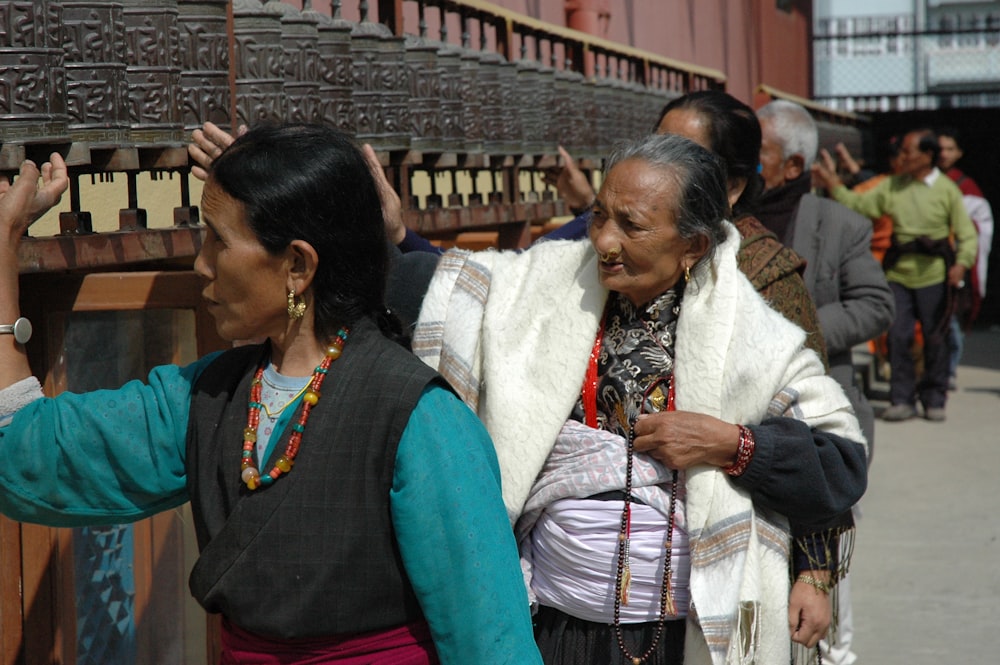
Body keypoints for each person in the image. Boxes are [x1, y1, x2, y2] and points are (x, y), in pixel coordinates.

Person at [0, 125, 542, 664]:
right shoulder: (207, 397)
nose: (201, 264)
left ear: (298, 266)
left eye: (218, 239)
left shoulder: (418, 418)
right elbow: (29, 451)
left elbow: (493, 645)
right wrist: (3, 251)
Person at [413, 133, 869, 664]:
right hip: (553, 618)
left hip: (678, 634)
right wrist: (398, 233)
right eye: (598, 215)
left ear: (693, 246)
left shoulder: (754, 337)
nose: (604, 241)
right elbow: (452, 282)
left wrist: (731, 445)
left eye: (631, 225)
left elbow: (838, 465)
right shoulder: (543, 289)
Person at [539, 91, 829, 363]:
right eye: (656, 147)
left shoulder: (766, 277)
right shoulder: (622, 261)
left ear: (731, 187)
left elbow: (806, 405)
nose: (657, 164)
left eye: (681, 155)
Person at [813, 128, 978, 423]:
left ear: (927, 156)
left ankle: (934, 397)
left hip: (935, 276)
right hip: (898, 275)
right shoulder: (893, 187)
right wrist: (835, 186)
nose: (901, 158)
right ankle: (901, 398)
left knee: (934, 338)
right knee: (898, 336)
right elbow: (860, 205)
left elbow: (967, 235)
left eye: (907, 152)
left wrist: (961, 264)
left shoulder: (947, 190)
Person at [755, 99, 894, 444]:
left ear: (793, 166)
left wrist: (798, 330)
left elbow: (875, 304)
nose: (744, 163)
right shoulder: (724, 221)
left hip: (815, 407)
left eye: (758, 152)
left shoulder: (839, 225)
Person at [937, 126, 994, 389]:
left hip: (956, 264)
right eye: (940, 149)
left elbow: (979, 226)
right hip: (929, 264)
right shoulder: (922, 181)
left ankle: (948, 371)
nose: (944, 154)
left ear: (959, 153)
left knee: (952, 323)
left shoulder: (966, 187)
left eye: (950, 149)